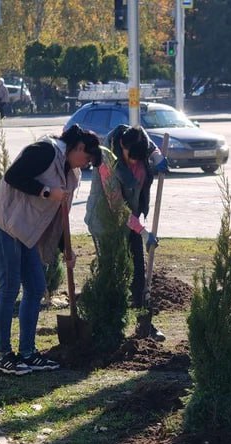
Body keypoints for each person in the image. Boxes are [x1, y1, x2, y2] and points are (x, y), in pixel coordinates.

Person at [0, 125, 102, 375]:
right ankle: (3, 355)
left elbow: (59, 217)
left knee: (36, 287)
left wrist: (64, 248)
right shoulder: (45, 151)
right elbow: (13, 176)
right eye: (87, 157)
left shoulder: (72, 174)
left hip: (25, 233)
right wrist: (46, 191)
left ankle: (28, 353)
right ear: (78, 147)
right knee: (9, 288)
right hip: (2, 223)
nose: (87, 163)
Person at [84, 124, 168, 340]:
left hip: (132, 220)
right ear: (122, 145)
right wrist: (142, 231)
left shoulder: (137, 141)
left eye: (139, 160)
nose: (134, 163)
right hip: (106, 221)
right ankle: (107, 324)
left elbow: (148, 145)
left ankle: (144, 325)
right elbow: (118, 207)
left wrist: (157, 156)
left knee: (139, 273)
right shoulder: (106, 161)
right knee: (111, 273)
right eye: (131, 158)